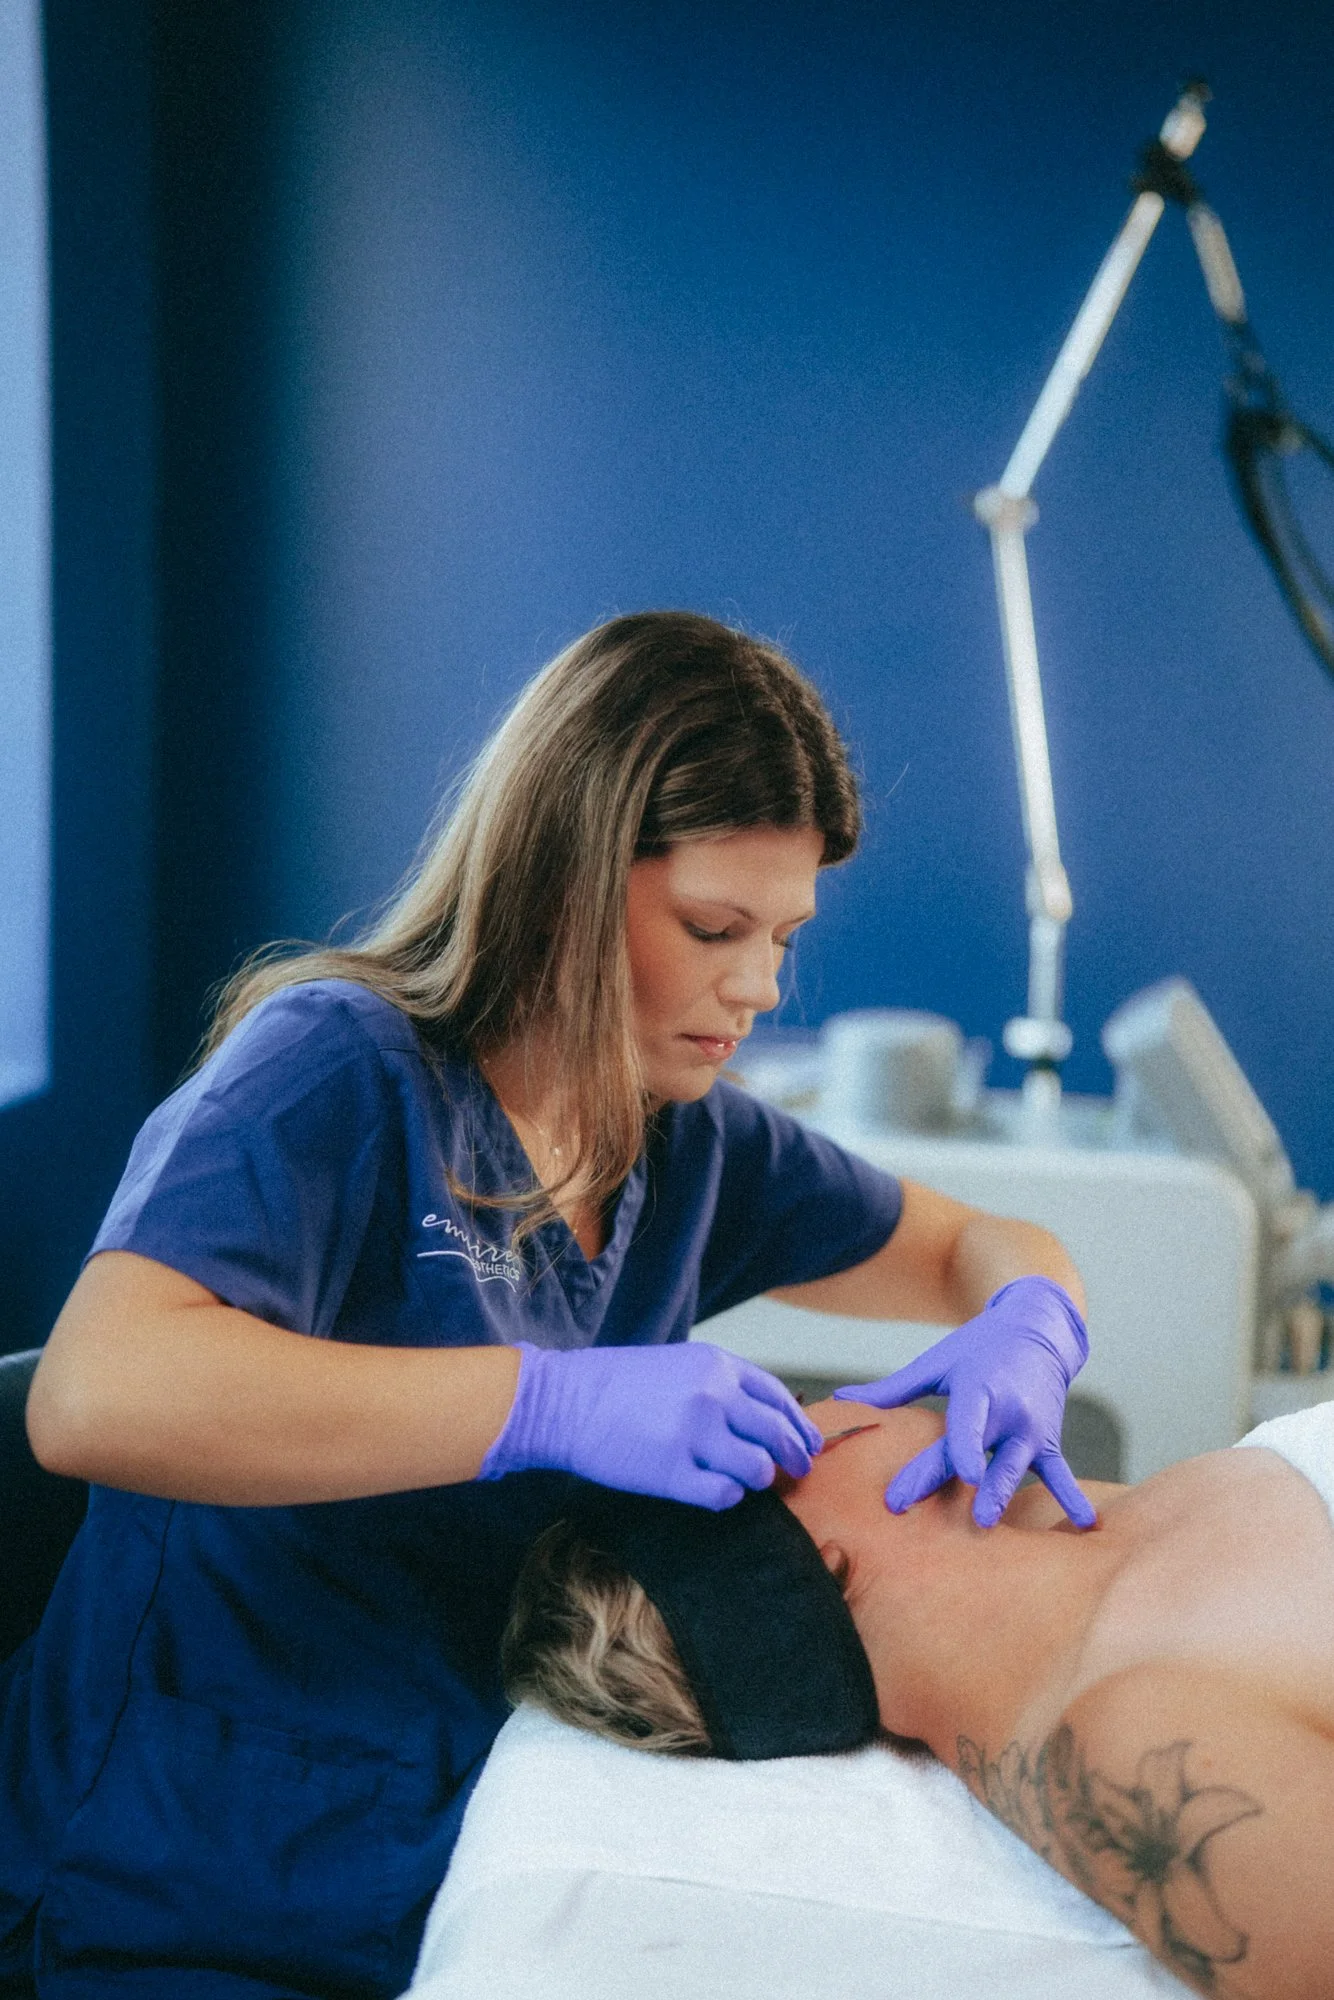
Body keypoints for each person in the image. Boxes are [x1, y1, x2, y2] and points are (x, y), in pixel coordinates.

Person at [5, 611, 1092, 1998]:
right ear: (567, 880)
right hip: (185, 1855)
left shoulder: (686, 1136)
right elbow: (94, 1395)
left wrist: (1030, 1323)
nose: (758, 987)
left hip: (451, 1836)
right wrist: (546, 1400)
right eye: (713, 928)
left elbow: (982, 1245)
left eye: (783, 935)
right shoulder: (337, 1069)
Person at [503, 1393, 1334, 1999]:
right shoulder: (1134, 1747)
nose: (833, 1399)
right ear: (822, 1563)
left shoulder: (1097, 1529)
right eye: (778, 1420)